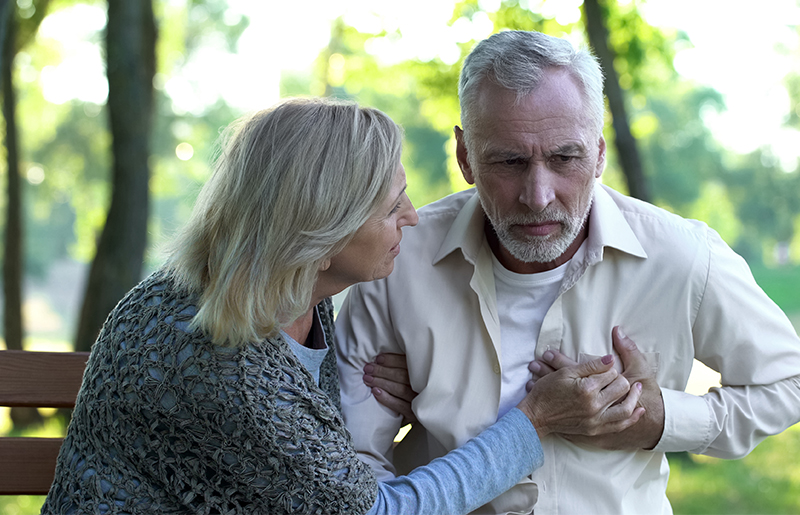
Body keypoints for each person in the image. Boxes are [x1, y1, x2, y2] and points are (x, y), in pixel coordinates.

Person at [41, 97, 646, 515]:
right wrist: (536, 421)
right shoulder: (210, 357)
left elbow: (303, 459)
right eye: (391, 206)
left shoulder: (298, 297)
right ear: (321, 231)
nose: (413, 217)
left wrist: (415, 392)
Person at [335, 30, 800, 515]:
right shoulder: (397, 261)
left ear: (599, 153)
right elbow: (356, 468)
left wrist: (662, 421)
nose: (538, 196)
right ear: (466, 157)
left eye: (564, 158)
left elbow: (790, 383)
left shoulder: (682, 257)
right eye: (510, 161)